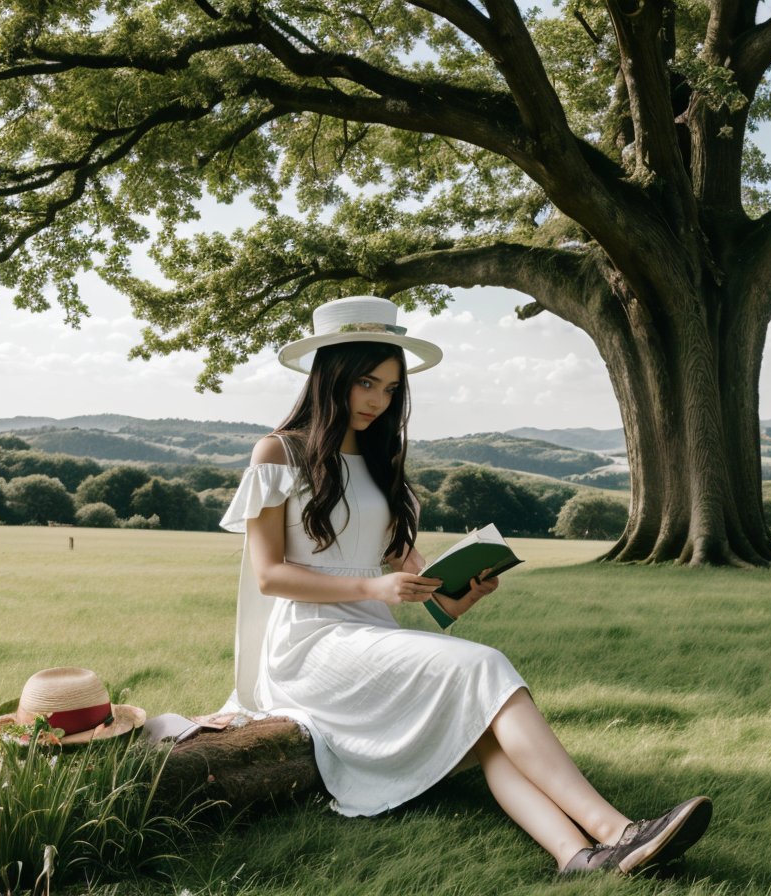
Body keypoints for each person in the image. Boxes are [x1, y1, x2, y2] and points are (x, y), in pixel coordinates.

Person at [219, 296, 712, 875]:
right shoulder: (279, 451)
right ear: (330, 376)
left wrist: (457, 595)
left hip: (371, 638)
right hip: (311, 646)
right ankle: (619, 829)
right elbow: (270, 575)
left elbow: (407, 573)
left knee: (484, 728)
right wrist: (376, 590)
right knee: (485, 669)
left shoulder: (381, 459)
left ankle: (577, 856)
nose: (378, 401)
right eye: (366, 384)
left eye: (390, 389)